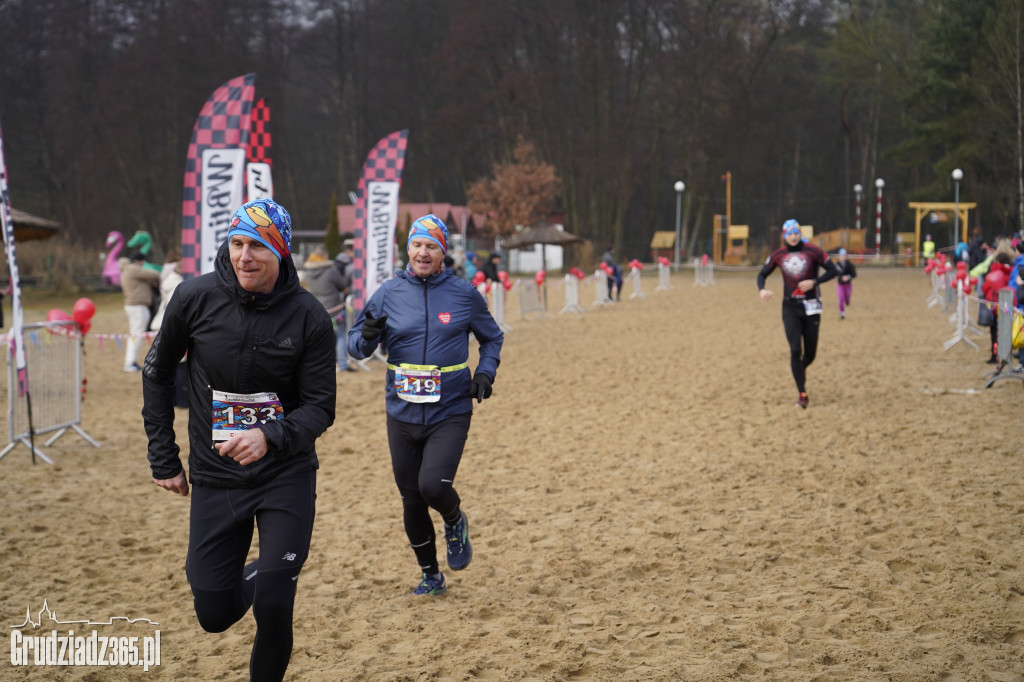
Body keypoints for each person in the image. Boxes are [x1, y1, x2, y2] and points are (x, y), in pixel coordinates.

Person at [141, 199, 336, 682]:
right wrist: (163, 456)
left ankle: (271, 578)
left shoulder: (310, 316)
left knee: (273, 604)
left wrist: (270, 436)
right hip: (217, 474)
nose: (245, 256)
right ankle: (260, 572)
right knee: (213, 614)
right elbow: (157, 372)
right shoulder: (193, 298)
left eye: (258, 246)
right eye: (237, 244)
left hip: (284, 472)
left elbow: (320, 407)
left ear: (282, 249)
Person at [348, 213, 503, 596]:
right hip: (400, 412)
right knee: (411, 497)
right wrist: (366, 337)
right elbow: (355, 346)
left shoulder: (464, 294)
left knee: (433, 485)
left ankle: (454, 518)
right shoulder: (387, 292)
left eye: (431, 246)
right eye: (417, 244)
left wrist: (485, 372)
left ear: (442, 252)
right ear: (408, 248)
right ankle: (431, 575)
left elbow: (493, 338)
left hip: (449, 409)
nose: (422, 252)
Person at [756, 219, 839, 408]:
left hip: (811, 305)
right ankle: (802, 394)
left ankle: (800, 371)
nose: (793, 236)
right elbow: (762, 274)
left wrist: (814, 282)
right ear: (784, 235)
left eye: (796, 233)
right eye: (789, 233)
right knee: (795, 350)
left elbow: (832, 270)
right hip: (790, 307)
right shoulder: (778, 255)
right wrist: (762, 289)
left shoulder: (813, 251)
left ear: (800, 233)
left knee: (810, 354)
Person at [305, 244, 353, 372]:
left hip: (319, 310)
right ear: (325, 256)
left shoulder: (308, 271)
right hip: (335, 309)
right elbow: (342, 284)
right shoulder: (330, 269)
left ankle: (325, 365)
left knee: (324, 340)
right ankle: (342, 364)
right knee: (342, 336)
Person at [149, 249, 187, 408]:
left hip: (161, 323)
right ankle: (180, 400)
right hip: (170, 325)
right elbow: (176, 307)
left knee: (169, 364)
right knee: (179, 364)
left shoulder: (168, 278)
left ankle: (174, 399)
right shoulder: (177, 283)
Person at [120, 250, 161, 372]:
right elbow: (155, 273)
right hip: (138, 306)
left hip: (134, 305)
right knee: (137, 335)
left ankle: (130, 361)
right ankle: (130, 363)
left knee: (135, 334)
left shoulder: (128, 269)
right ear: (139, 261)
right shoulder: (134, 269)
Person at [834, 248, 857, 320]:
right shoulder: (837, 264)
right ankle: (842, 314)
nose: (842, 256)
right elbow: (835, 272)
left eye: (844, 255)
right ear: (839, 256)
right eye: (841, 255)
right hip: (840, 285)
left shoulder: (850, 265)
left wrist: (848, 277)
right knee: (841, 298)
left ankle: (847, 301)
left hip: (847, 285)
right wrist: (832, 276)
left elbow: (854, 274)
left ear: (846, 256)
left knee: (846, 299)